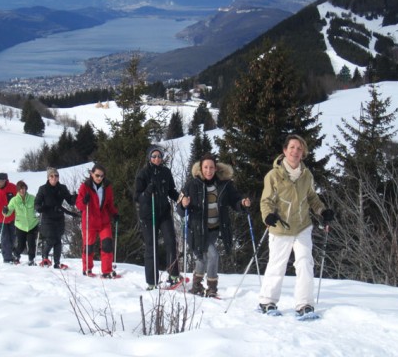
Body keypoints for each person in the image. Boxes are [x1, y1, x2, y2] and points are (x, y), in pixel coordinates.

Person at [258, 134, 334, 317]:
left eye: (299, 149)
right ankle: (267, 302)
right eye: (292, 147)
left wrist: (322, 211)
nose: (295, 151)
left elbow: (312, 198)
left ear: (303, 153)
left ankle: (304, 304)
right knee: (277, 264)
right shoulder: (273, 176)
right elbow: (266, 200)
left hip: (302, 226)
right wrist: (268, 216)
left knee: (305, 263)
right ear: (284, 151)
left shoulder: (306, 175)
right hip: (280, 228)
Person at [177, 153, 251, 297]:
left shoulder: (224, 185)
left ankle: (197, 286)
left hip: (214, 229)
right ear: (201, 168)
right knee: (211, 255)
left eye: (211, 167)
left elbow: (235, 200)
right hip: (197, 229)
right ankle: (211, 288)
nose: (208, 170)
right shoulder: (192, 184)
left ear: (216, 169)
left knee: (203, 257)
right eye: (206, 167)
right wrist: (183, 204)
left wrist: (242, 203)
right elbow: (179, 208)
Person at [135, 145, 181, 290]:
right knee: (151, 247)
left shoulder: (166, 172)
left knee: (171, 242)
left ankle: (173, 275)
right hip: (149, 215)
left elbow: (171, 191)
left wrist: (181, 198)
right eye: (154, 156)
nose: (157, 159)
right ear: (149, 158)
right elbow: (137, 197)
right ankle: (152, 282)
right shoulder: (143, 174)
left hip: (164, 213)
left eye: (159, 156)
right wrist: (147, 192)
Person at [76, 163, 119, 278]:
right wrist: (84, 201)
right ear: (91, 174)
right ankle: (87, 269)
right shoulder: (85, 187)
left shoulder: (107, 187)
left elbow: (109, 203)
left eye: (102, 176)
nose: (100, 178)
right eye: (97, 175)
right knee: (88, 246)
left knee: (107, 245)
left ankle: (107, 271)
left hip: (104, 220)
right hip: (89, 221)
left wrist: (114, 213)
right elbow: (78, 204)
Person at [34, 167, 76, 269]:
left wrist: (76, 197)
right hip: (47, 217)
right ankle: (45, 257)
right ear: (48, 177)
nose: (54, 178)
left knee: (58, 239)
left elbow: (70, 201)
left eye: (56, 176)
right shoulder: (43, 189)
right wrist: (40, 208)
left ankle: (57, 263)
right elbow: (37, 203)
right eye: (52, 176)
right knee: (51, 238)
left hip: (59, 217)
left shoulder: (62, 188)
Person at [2, 180, 39, 266]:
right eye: (20, 189)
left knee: (31, 244)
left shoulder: (32, 198)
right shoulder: (14, 200)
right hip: (20, 225)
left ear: (26, 189)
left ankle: (31, 259)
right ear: (17, 190)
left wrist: (39, 209)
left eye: (23, 188)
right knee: (21, 245)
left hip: (32, 224)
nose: (22, 190)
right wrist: (5, 211)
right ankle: (16, 255)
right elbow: (8, 212)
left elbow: (37, 207)